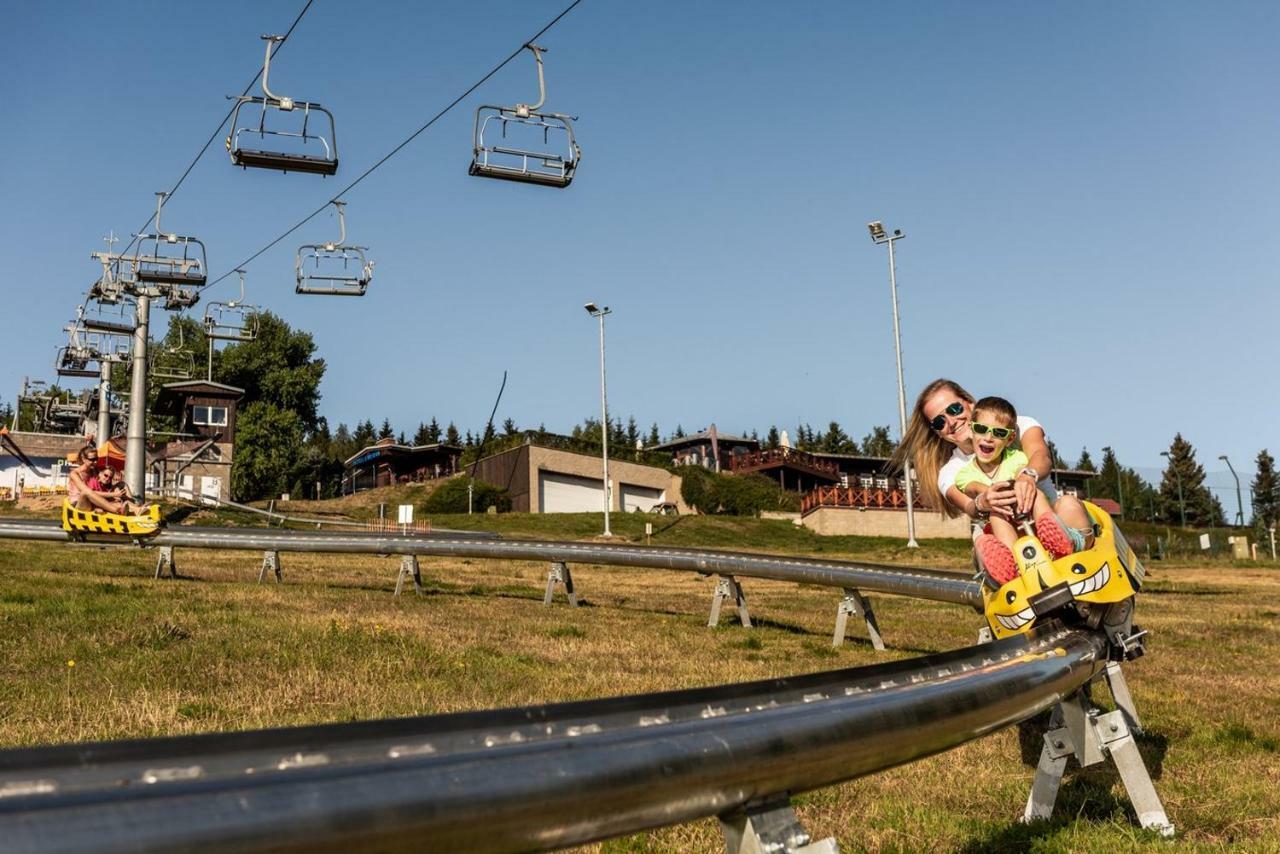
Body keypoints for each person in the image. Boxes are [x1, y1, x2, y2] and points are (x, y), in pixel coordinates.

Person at [892, 378, 1095, 551]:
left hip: (1050, 517)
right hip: (1007, 534)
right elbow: (968, 505)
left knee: (1068, 504)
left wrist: (1027, 476)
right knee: (982, 536)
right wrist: (983, 501)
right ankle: (1009, 564)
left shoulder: (1017, 426)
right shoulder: (950, 472)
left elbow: (1040, 456)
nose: (951, 422)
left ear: (970, 403)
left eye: (954, 409)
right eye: (940, 422)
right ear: (938, 432)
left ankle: (1071, 546)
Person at [954, 396, 1074, 582]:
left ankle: (1052, 535)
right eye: (981, 429)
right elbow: (971, 488)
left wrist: (1022, 480)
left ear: (1010, 439)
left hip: (1027, 511)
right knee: (995, 512)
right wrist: (987, 492)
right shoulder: (965, 472)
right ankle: (1013, 562)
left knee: (1034, 492)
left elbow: (1022, 469)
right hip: (1002, 519)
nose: (988, 438)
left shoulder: (1015, 457)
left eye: (998, 433)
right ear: (971, 430)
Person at [67, 446, 146, 516]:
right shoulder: (75, 474)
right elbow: (87, 492)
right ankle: (117, 511)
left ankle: (136, 507)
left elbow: (107, 472)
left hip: (94, 501)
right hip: (80, 504)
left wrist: (115, 476)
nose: (95, 462)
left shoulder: (94, 470)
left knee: (122, 484)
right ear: (84, 459)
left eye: (96, 459)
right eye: (92, 459)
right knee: (85, 492)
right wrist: (113, 494)